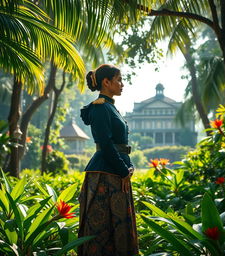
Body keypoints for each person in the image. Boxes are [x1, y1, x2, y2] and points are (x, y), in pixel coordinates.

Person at [78, 64, 139, 256]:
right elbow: (105, 144)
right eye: (119, 79)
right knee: (102, 228)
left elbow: (119, 145)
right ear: (106, 82)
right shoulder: (101, 108)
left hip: (116, 170)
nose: (122, 84)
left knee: (117, 225)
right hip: (107, 173)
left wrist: (128, 167)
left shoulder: (110, 107)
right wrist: (123, 170)